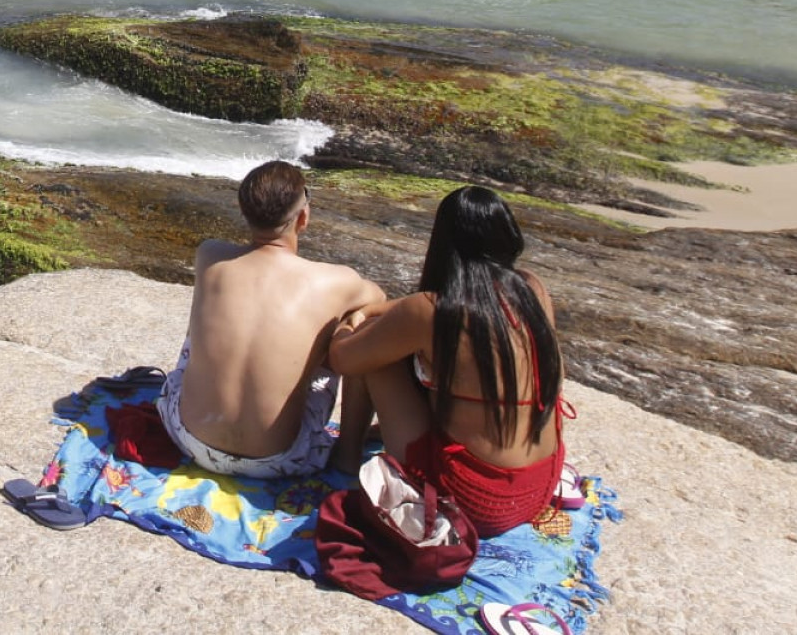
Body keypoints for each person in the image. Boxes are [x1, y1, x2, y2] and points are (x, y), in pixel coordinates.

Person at [328, 186, 569, 537]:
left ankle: (346, 457)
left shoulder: (431, 312)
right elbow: (450, 304)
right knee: (404, 344)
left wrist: (349, 323)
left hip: (470, 500)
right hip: (535, 489)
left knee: (374, 354)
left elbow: (343, 360)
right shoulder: (532, 289)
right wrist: (375, 308)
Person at [158, 161, 383, 479]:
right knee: (360, 328)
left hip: (188, 439)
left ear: (243, 211)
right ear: (303, 217)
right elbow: (380, 302)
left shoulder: (210, 256)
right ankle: (348, 454)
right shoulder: (337, 283)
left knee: (202, 332)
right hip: (282, 459)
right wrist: (345, 323)